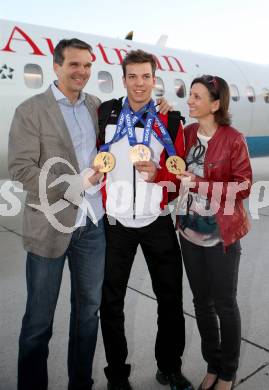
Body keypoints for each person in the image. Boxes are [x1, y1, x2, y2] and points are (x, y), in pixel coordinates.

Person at [8, 38, 106, 390]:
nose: (82, 72)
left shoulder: (96, 106)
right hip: (50, 224)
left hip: (92, 225)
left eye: (87, 65)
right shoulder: (31, 110)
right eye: (74, 64)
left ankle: (81, 383)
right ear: (57, 66)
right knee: (38, 322)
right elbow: (20, 169)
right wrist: (69, 185)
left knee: (88, 315)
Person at [98, 49, 193, 390]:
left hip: (156, 221)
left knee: (170, 301)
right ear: (124, 80)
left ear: (155, 80)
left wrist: (159, 174)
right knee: (110, 304)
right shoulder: (105, 112)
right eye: (133, 76)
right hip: (116, 224)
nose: (140, 84)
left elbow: (180, 173)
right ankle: (117, 376)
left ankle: (169, 367)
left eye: (146, 77)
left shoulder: (170, 120)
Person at [176, 75, 252, 390]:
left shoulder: (233, 138)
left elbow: (244, 186)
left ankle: (228, 372)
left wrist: (200, 184)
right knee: (201, 303)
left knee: (224, 303)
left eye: (195, 96)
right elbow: (174, 168)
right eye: (189, 95)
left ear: (215, 104)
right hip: (189, 234)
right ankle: (213, 365)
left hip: (221, 235)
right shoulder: (187, 132)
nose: (189, 100)